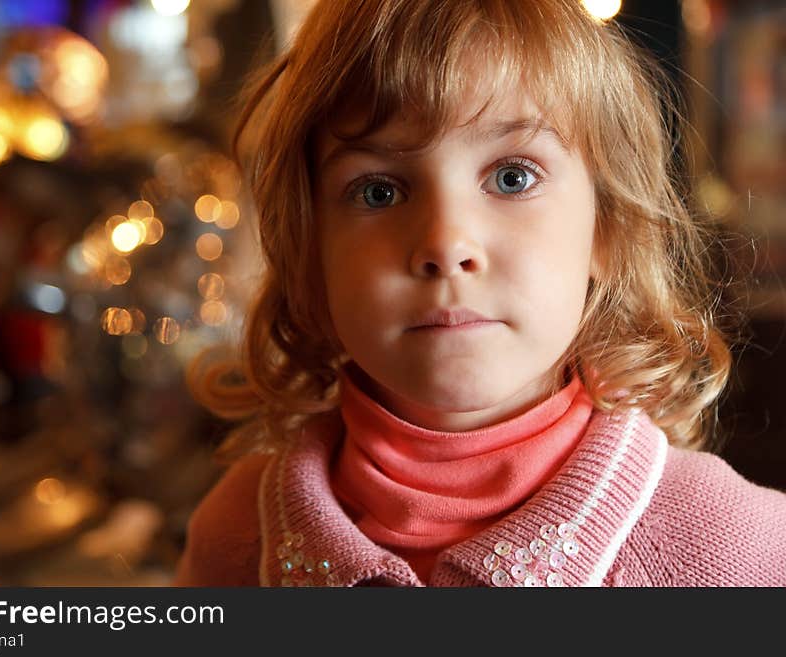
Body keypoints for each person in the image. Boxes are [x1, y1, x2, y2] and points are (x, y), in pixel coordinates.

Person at [175, 0, 786, 587]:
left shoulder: (741, 549)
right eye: (378, 192)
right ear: (309, 247)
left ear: (609, 229)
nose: (446, 243)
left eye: (512, 177)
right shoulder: (233, 537)